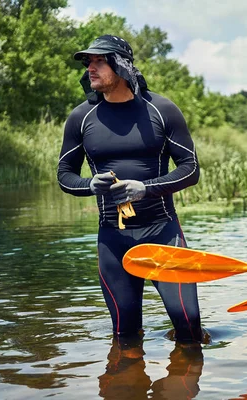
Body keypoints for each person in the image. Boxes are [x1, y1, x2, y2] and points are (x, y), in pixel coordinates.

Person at [57, 34, 203, 344]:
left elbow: (190, 169)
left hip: (163, 233)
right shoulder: (81, 118)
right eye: (88, 63)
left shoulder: (162, 109)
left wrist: (145, 188)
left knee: (189, 331)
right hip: (113, 239)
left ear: (121, 65)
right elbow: (64, 175)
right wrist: (89, 185)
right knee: (125, 338)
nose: (90, 69)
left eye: (99, 61)